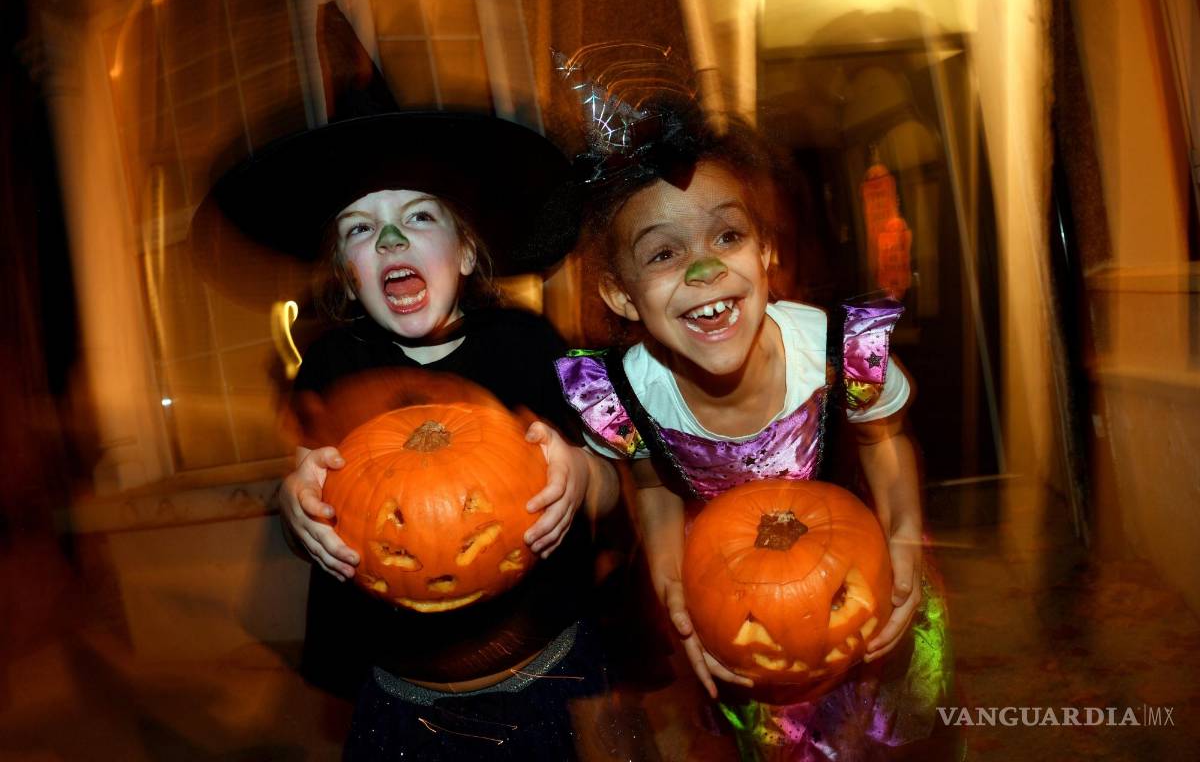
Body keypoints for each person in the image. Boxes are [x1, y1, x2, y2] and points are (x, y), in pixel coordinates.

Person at [201, 107, 619, 759]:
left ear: (470, 250)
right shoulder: (333, 366)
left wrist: (586, 474)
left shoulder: (530, 345)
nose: (392, 240)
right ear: (345, 268)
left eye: (420, 216)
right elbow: (319, 492)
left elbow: (616, 484)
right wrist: (293, 506)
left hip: (546, 673)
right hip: (405, 690)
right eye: (361, 229)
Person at [554, 102, 953, 759]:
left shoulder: (840, 353)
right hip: (734, 605)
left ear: (766, 251)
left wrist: (905, 531)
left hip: (855, 585)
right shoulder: (626, 393)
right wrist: (671, 581)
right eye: (663, 253)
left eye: (727, 237)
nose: (704, 270)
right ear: (621, 295)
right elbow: (651, 482)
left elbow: (884, 443)